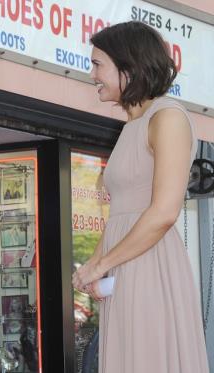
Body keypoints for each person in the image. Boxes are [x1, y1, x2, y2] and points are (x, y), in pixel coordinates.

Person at [72, 21, 208, 372]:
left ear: (128, 68)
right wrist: (92, 264)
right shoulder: (131, 126)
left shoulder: (167, 118)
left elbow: (163, 212)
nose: (93, 75)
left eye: (98, 64)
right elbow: (123, 212)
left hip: (151, 265)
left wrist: (101, 264)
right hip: (126, 266)